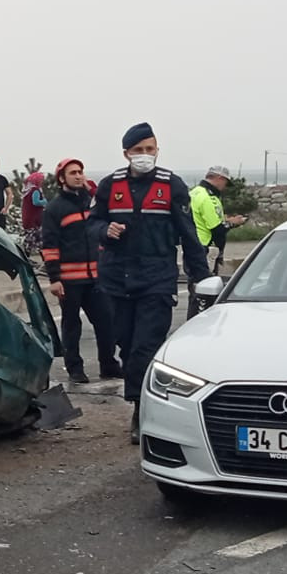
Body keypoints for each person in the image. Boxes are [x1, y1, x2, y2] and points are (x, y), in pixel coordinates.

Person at [94, 123, 210, 432]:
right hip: (117, 280)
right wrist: (104, 230)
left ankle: (141, 409)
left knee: (146, 346)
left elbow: (189, 235)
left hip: (156, 280)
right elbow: (91, 223)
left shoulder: (172, 185)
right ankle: (140, 399)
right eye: (138, 150)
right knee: (126, 344)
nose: (144, 155)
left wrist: (202, 277)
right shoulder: (110, 185)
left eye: (150, 149)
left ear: (157, 151)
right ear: (126, 154)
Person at [40, 158, 121, 383]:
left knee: (107, 322)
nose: (78, 176)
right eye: (73, 173)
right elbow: (49, 245)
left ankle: (109, 365)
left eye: (80, 172)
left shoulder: (92, 204)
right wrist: (54, 279)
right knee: (71, 326)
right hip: (69, 280)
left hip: (97, 277)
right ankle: (75, 369)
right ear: (61, 178)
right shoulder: (54, 209)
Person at [189, 165, 246, 262]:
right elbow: (217, 229)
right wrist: (233, 223)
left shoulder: (194, 192)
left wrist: (226, 220)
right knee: (204, 272)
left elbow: (201, 218)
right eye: (226, 183)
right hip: (205, 247)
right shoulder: (208, 198)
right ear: (220, 178)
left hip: (191, 243)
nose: (225, 187)